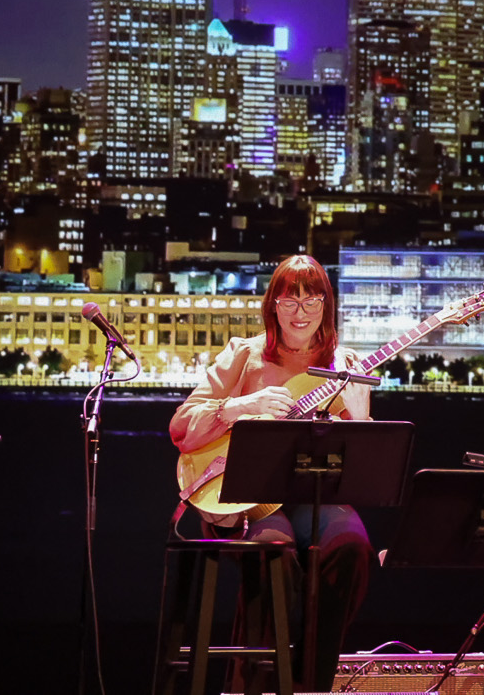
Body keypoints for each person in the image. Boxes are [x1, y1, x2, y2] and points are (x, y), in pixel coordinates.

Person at [170, 254, 373, 690]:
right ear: (273, 305)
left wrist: (358, 417)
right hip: (249, 496)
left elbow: (365, 464)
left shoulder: (345, 365)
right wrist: (241, 407)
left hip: (314, 494)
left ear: (326, 305)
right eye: (290, 301)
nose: (301, 313)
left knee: (351, 546)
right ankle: (257, 683)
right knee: (273, 552)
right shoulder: (244, 356)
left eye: (311, 301)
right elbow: (182, 428)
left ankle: (309, 683)